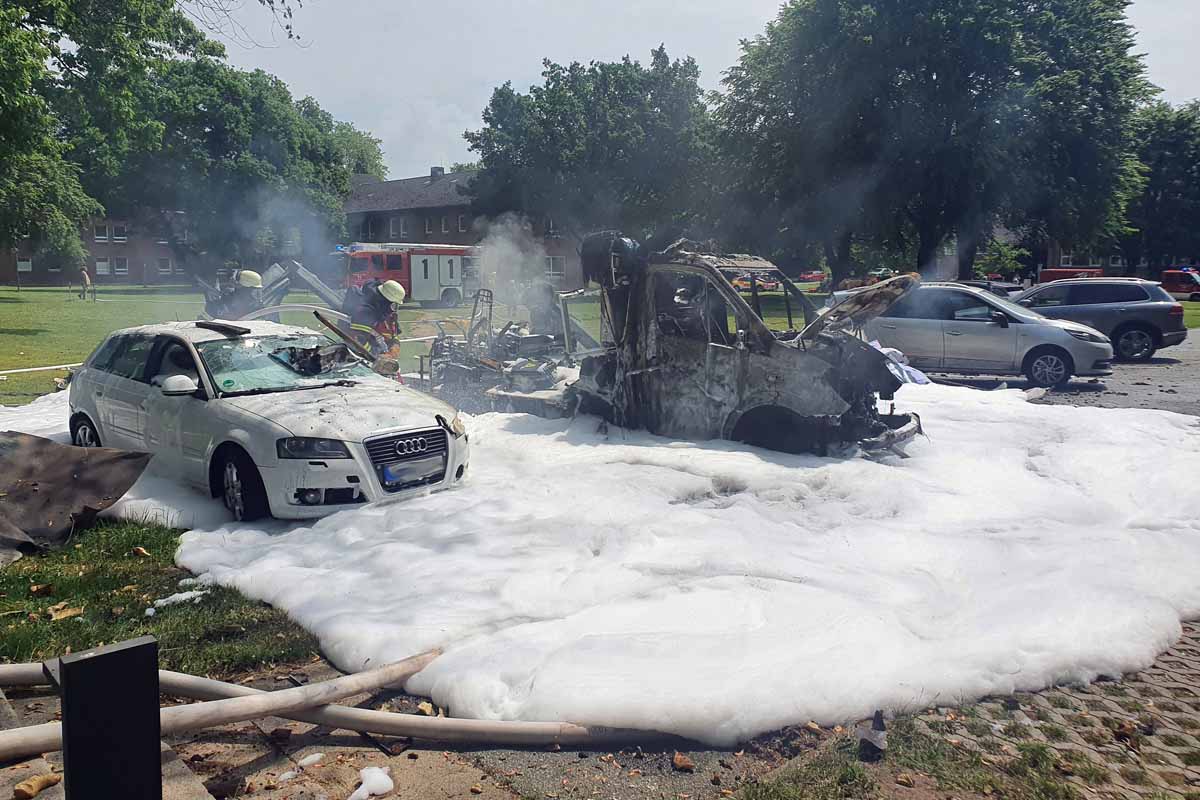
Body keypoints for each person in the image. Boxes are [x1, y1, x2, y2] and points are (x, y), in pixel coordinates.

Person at [340, 279, 406, 354]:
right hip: (360, 355)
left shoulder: (385, 312)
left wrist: (395, 346)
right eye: (394, 305)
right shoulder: (366, 311)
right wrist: (374, 354)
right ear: (385, 301)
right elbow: (356, 338)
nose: (394, 309)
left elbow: (393, 332)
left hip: (381, 352)